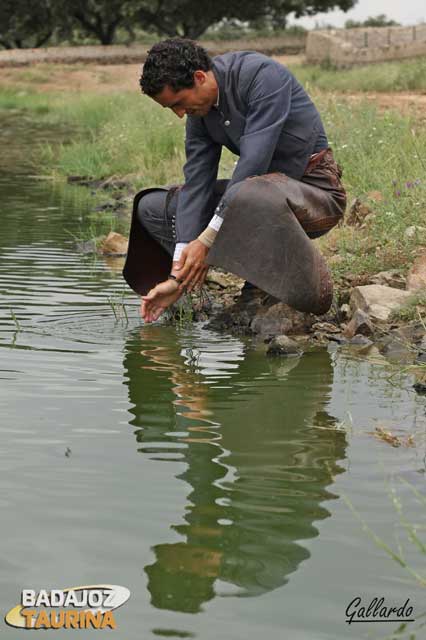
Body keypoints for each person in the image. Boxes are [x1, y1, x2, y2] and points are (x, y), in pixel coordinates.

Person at [122, 38, 346, 323]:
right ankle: (190, 287)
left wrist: (205, 241)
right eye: (171, 109)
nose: (179, 114)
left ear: (199, 77)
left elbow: (253, 165)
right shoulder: (200, 112)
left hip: (314, 197)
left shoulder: (261, 76)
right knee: (153, 206)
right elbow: (197, 183)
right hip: (255, 198)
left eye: (179, 103)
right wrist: (178, 271)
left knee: (251, 193)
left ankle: (268, 281)